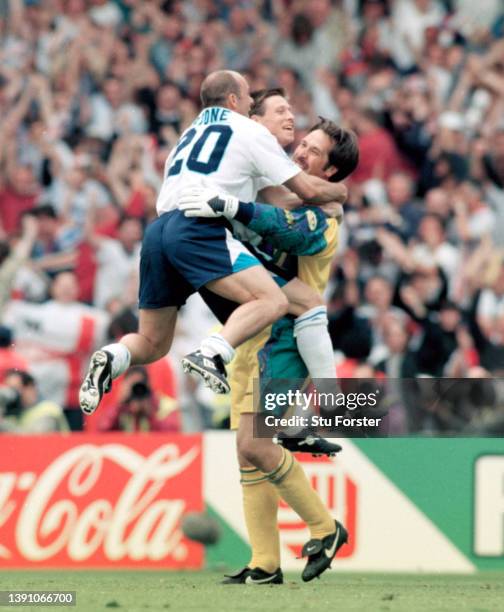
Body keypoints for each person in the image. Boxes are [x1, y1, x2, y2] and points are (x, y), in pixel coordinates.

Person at [79, 70, 347, 415]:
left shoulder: (188, 135)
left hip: (159, 232)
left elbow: (271, 199)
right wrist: (340, 192)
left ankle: (115, 355)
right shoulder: (250, 131)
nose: (253, 103)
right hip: (200, 228)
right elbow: (306, 191)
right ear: (233, 99)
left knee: (153, 342)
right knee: (273, 301)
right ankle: (213, 352)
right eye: (250, 96)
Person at [179, 104, 359, 584]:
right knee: (247, 453)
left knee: (255, 447)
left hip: (284, 346)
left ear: (329, 171)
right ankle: (264, 563)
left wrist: (233, 207)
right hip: (251, 336)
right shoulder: (277, 188)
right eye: (303, 142)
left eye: (314, 152)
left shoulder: (323, 222)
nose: (300, 150)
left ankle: (326, 527)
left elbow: (282, 230)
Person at [0, 369, 68, 433]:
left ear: (31, 388)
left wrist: (2, 424)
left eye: (15, 389)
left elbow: (35, 438)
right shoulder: (12, 415)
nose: (12, 395)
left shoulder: (48, 410)